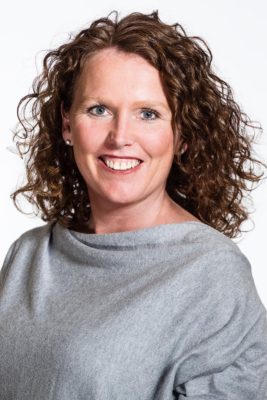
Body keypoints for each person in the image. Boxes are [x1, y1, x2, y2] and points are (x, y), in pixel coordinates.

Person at [1, 10, 267, 400]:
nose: (120, 136)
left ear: (183, 135)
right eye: (99, 109)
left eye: (148, 114)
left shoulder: (213, 276)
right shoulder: (29, 255)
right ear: (67, 125)